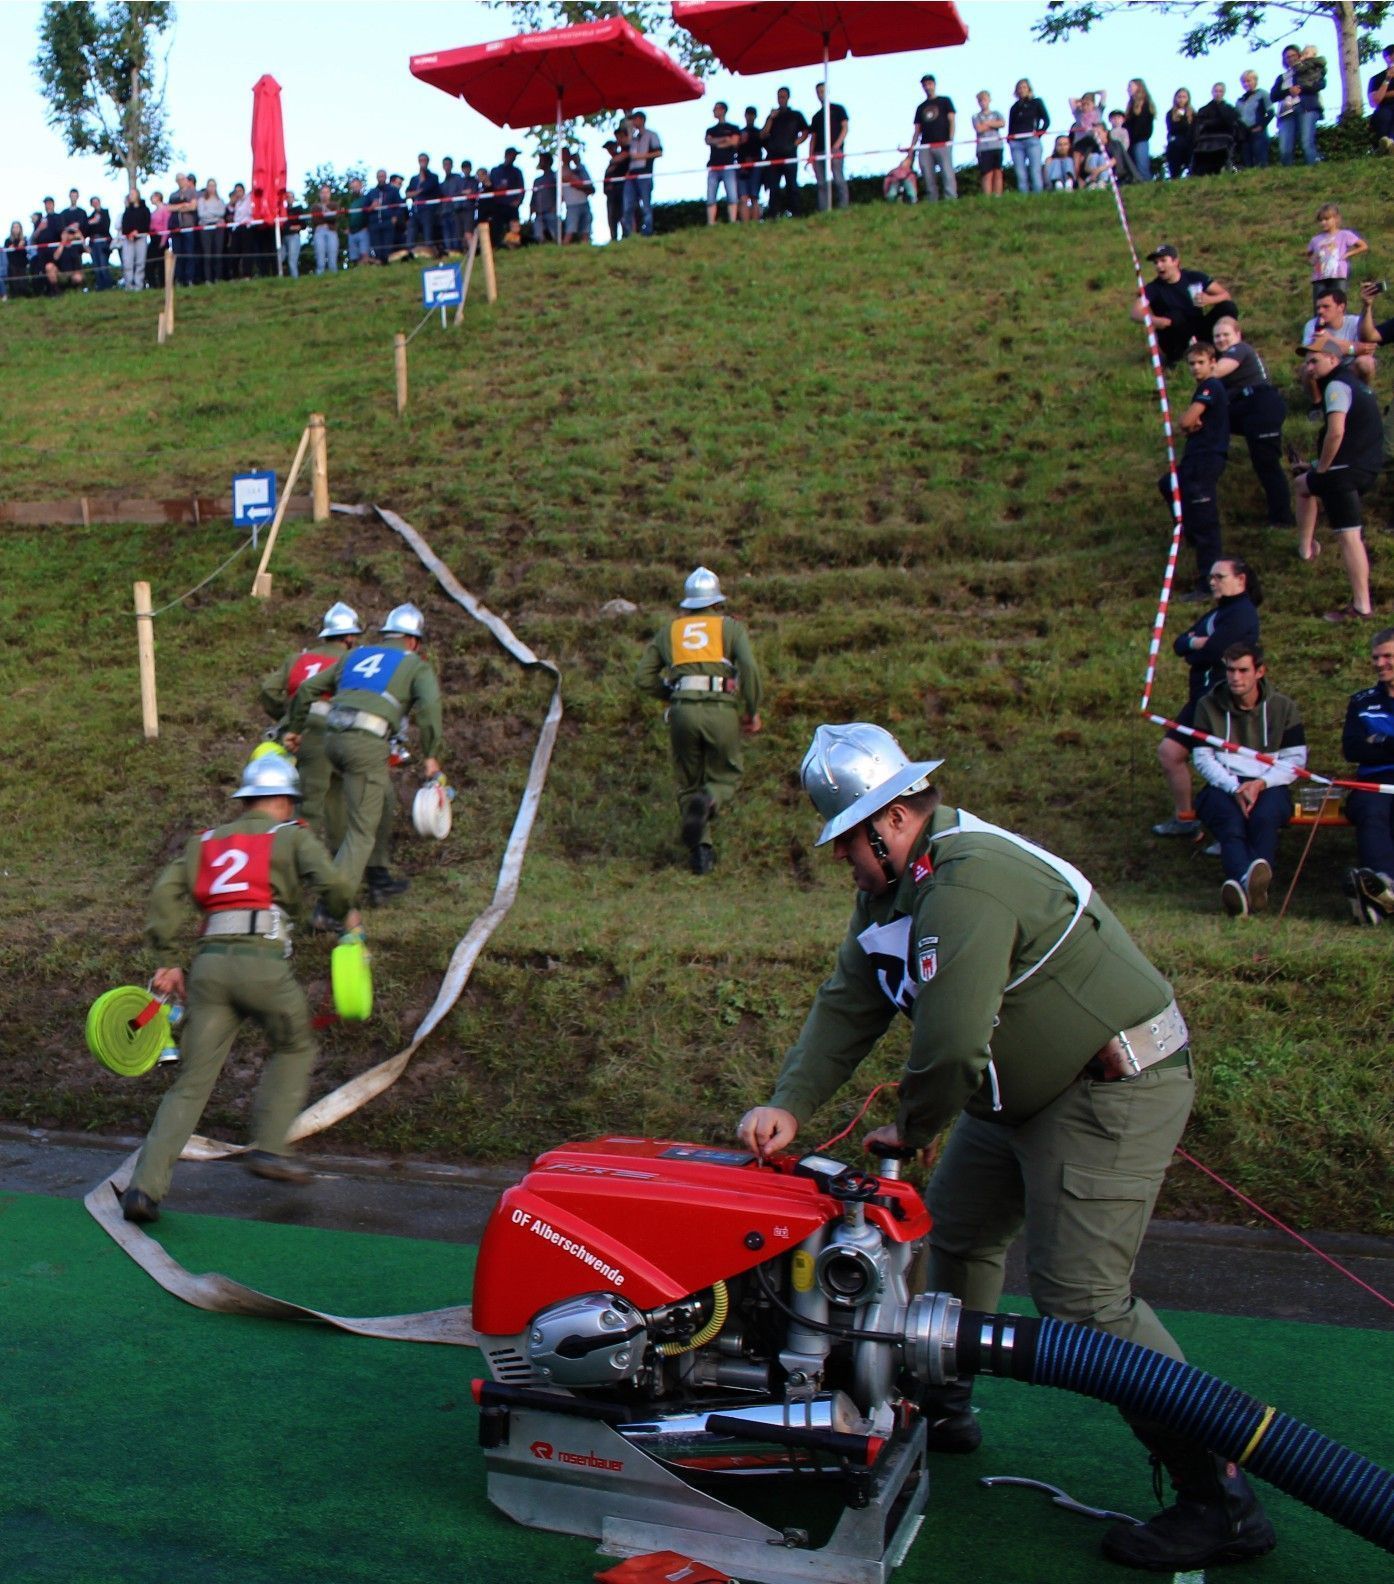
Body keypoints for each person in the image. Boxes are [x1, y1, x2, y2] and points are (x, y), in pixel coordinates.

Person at [738, 723, 1275, 1573]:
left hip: (1107, 1088)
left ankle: (1219, 1493)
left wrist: (910, 1128)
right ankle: (940, 1401)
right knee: (954, 1233)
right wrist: (790, 1102)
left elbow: (950, 1045)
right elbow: (853, 997)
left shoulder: (965, 884)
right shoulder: (895, 889)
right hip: (1014, 1094)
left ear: (890, 822)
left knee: (1085, 1303)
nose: (844, 860)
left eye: (847, 843)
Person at [118, 753, 361, 1225]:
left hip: (209, 966)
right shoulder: (291, 836)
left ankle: (144, 1189)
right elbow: (331, 881)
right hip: (262, 963)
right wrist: (347, 916)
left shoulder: (204, 842)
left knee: (191, 1084)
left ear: (247, 799)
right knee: (294, 1045)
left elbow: (165, 893)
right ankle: (270, 1147)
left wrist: (167, 958)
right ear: (285, 800)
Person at [287, 602, 443, 905]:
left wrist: (294, 729)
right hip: (366, 745)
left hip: (330, 742)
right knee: (362, 830)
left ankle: (375, 876)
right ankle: (330, 906)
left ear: (386, 636)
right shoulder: (415, 664)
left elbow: (307, 689)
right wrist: (430, 755)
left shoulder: (355, 655)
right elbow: (430, 707)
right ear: (413, 641)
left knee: (381, 796)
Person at [634, 567, 762, 876]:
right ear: (717, 602)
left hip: (682, 712)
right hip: (721, 710)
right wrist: (752, 709)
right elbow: (749, 667)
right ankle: (710, 798)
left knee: (688, 780)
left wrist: (671, 694)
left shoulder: (670, 632)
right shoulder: (730, 628)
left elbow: (642, 678)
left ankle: (701, 855)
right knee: (726, 773)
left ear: (687, 603)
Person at [1192, 643, 1306, 917]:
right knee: (1229, 821)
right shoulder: (1208, 706)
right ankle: (1248, 884)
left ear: (1260, 672)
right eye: (1230, 670)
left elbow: (1296, 761)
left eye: (1243, 670)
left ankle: (1247, 887)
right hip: (1224, 783)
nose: (1235, 677)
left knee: (1264, 818)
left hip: (1269, 783)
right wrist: (1235, 787)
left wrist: (1259, 784)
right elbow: (1202, 758)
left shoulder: (1283, 707)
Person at [1152, 558, 1262, 838]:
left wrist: (1197, 647)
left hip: (1224, 702)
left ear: (1240, 580)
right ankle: (1185, 818)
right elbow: (1179, 644)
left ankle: (1232, 834)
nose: (1212, 582)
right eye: (1211, 576)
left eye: (1219, 576)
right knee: (1170, 752)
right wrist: (1193, 644)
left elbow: (1216, 653)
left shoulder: (1242, 613)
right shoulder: (1217, 614)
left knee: (1226, 765)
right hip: (1199, 702)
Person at [1293, 333, 1385, 622]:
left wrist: (1321, 468)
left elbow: (1336, 432)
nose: (1309, 367)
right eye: (1307, 362)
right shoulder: (1356, 384)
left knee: (1349, 537)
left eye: (1314, 361)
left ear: (1333, 359)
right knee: (1302, 485)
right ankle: (1306, 548)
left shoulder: (1335, 386)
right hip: (1365, 466)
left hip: (1343, 473)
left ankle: (1361, 606)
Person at [265, 601, 362, 864]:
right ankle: (315, 864)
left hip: (301, 736)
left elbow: (268, 691)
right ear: (350, 637)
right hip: (344, 734)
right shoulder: (355, 661)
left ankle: (301, 864)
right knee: (330, 800)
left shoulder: (298, 659)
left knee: (311, 799)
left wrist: (287, 718)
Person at [1159, 342, 1230, 598]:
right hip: (1194, 458)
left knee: (1206, 522)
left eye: (1201, 362)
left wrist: (1188, 422)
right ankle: (1186, 528)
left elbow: (1186, 420)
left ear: (1213, 362)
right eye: (1191, 363)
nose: (1196, 368)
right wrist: (1189, 423)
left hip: (1207, 458)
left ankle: (1208, 583)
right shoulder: (1203, 387)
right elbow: (1189, 422)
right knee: (1169, 483)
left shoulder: (1212, 385)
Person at [1210, 318, 1293, 529]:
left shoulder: (1240, 349)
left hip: (1261, 405)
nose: (1221, 339)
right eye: (1216, 336)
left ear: (1238, 334)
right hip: (1245, 409)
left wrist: (1200, 363)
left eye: (1225, 334)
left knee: (1267, 464)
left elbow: (1214, 373)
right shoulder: (1227, 358)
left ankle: (1283, 519)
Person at [1341, 627, 1394, 922]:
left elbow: (1369, 745)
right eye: (1376, 657)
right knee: (1371, 812)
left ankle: (1375, 901)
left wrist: (1382, 741)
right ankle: (1383, 885)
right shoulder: (1361, 701)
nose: (1380, 663)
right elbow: (1352, 749)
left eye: (1388, 656)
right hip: (1372, 782)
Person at [1133, 242, 1238, 367]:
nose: (1159, 266)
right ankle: (1178, 359)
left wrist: (1209, 299)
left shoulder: (1194, 277)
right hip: (1175, 334)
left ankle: (1225, 344)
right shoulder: (1153, 288)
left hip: (1199, 326)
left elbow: (1225, 295)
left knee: (1227, 307)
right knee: (1175, 316)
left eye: (1163, 260)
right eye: (1156, 263)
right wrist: (1155, 320)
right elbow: (1135, 313)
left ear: (1175, 261)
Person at [1299, 286, 1375, 397]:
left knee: (1366, 363)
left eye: (1326, 307)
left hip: (1351, 367)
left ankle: (1364, 395)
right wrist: (1355, 348)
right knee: (1306, 368)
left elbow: (1369, 349)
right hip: (1326, 368)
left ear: (1341, 307)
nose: (1320, 311)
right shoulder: (1312, 325)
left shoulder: (1355, 322)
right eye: (1318, 307)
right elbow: (1312, 355)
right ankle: (1317, 405)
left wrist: (1330, 341)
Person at [1306, 204, 1368, 309]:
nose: (1323, 223)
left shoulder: (1344, 234)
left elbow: (1363, 246)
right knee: (1319, 306)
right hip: (1320, 278)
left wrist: (1348, 254)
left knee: (1338, 303)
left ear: (1335, 219)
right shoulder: (1315, 239)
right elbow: (1310, 257)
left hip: (1338, 275)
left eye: (1326, 219)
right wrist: (1314, 259)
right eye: (1321, 220)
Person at [1272, 44, 1322, 166]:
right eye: (1287, 57)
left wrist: (1301, 88)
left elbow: (1320, 84)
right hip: (1286, 112)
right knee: (1284, 148)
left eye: (1293, 55)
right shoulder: (1282, 77)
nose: (1290, 59)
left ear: (1299, 55)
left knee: (1306, 142)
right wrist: (1288, 91)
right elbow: (1273, 96)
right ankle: (1287, 175)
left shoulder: (1309, 69)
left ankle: (1312, 171)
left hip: (1306, 107)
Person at [761, 89, 808, 219]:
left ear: (788, 98)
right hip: (773, 156)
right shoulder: (772, 116)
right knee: (773, 187)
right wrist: (771, 118)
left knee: (792, 185)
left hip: (790, 156)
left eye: (783, 97)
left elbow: (806, 131)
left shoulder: (796, 115)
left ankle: (797, 214)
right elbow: (763, 134)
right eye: (779, 97)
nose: (781, 99)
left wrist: (795, 143)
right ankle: (773, 215)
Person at [912, 74, 957, 200]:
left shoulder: (945, 101)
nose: (927, 87)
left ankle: (951, 198)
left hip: (943, 142)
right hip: (925, 145)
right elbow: (917, 130)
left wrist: (951, 139)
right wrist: (912, 146)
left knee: (947, 173)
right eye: (924, 85)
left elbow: (952, 120)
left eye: (929, 84)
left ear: (934, 85)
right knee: (927, 175)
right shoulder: (920, 107)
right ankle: (932, 200)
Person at [809, 82, 849, 210]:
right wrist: (811, 156)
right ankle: (824, 209)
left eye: (822, 91)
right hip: (819, 152)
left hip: (835, 150)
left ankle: (843, 206)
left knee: (838, 178)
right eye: (818, 92)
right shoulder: (816, 116)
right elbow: (813, 137)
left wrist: (836, 146)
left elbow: (845, 128)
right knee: (821, 183)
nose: (820, 94)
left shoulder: (838, 109)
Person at [624, 111, 663, 237]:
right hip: (632, 174)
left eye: (635, 119)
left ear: (641, 120)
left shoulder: (651, 135)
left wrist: (642, 157)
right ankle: (629, 233)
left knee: (646, 204)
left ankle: (647, 231)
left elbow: (659, 152)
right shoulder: (634, 138)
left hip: (644, 173)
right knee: (628, 204)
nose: (633, 122)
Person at [1007, 78, 1049, 192]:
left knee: (1035, 169)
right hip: (1016, 142)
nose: (1021, 90)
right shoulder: (1014, 107)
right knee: (1020, 172)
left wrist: (1039, 133)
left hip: (1032, 140)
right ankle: (1024, 197)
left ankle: (1038, 195)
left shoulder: (1036, 102)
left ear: (1029, 88)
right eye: (1019, 88)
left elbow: (1046, 120)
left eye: (1024, 87)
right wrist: (1010, 140)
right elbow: (1010, 126)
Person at [702, 101, 740, 225]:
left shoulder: (733, 128)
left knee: (732, 194)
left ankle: (733, 221)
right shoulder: (711, 129)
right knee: (711, 195)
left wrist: (717, 142)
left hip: (728, 165)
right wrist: (724, 139)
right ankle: (711, 222)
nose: (714, 111)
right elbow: (708, 141)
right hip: (713, 166)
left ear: (723, 110)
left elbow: (734, 142)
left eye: (716, 109)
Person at [1190, 83, 1240, 175]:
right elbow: (1200, 125)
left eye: (1220, 91)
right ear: (1212, 92)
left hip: (1224, 139)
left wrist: (1214, 122)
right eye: (1216, 91)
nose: (1218, 93)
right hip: (1206, 141)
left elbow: (1231, 123)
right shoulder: (1203, 110)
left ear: (1224, 93)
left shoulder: (1229, 109)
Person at [488, 148, 525, 248]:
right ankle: (497, 247)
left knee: (514, 227)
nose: (514, 158)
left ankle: (514, 246)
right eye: (512, 155)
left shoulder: (517, 171)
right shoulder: (495, 170)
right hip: (498, 205)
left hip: (512, 204)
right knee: (497, 228)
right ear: (507, 155)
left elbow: (522, 188)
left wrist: (519, 201)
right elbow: (491, 187)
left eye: (515, 156)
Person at [168, 171, 200, 285]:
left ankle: (189, 279)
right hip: (176, 228)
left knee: (189, 253)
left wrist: (178, 207)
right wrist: (183, 205)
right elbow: (169, 208)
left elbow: (193, 206)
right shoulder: (173, 195)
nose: (181, 181)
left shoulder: (193, 192)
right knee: (177, 254)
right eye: (178, 179)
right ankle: (179, 279)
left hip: (188, 227)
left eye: (182, 179)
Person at [1067, 88, 1106, 181]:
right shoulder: (1078, 114)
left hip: (1095, 139)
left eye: (1088, 104)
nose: (1085, 107)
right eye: (1083, 104)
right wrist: (1081, 100)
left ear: (1093, 104)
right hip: (1081, 140)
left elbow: (1104, 93)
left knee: (1093, 157)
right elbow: (1071, 100)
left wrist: (1093, 93)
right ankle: (1076, 180)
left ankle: (1097, 178)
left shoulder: (1098, 111)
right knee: (1077, 158)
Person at [1235, 71, 1273, 166]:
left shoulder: (1262, 94)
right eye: (1244, 82)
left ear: (1255, 81)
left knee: (1260, 159)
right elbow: (1237, 117)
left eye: (1249, 81)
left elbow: (1270, 112)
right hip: (1244, 134)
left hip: (1258, 132)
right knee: (1247, 160)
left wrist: (1261, 126)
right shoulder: (1240, 100)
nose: (1246, 84)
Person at [406, 152, 440, 256]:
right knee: (411, 231)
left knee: (428, 233)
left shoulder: (433, 177)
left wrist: (417, 190)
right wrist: (418, 190)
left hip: (427, 210)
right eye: (420, 160)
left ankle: (430, 253)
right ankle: (409, 254)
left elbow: (427, 189)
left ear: (428, 162)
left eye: (424, 160)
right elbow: (407, 194)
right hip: (415, 210)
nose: (422, 163)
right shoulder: (414, 178)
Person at [972, 91, 1006, 196]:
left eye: (985, 99)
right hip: (983, 148)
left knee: (998, 172)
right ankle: (987, 196)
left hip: (997, 146)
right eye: (980, 100)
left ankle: (998, 196)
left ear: (989, 100)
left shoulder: (996, 113)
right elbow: (979, 128)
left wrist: (987, 123)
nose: (983, 102)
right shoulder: (976, 116)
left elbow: (1002, 123)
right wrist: (993, 124)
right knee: (987, 173)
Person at [1123, 78, 1156, 179]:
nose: (1128, 89)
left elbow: (1143, 125)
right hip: (1132, 140)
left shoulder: (1144, 104)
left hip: (1140, 140)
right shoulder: (1131, 105)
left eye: (1130, 86)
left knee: (1142, 167)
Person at [559, 148, 593, 244]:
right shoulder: (561, 171)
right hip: (572, 204)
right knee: (570, 229)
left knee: (586, 229)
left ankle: (585, 249)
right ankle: (563, 250)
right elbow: (570, 180)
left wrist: (578, 163)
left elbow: (588, 184)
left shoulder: (580, 169)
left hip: (584, 201)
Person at [734, 109, 763, 222]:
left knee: (754, 196)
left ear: (755, 116)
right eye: (748, 115)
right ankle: (746, 224)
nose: (750, 117)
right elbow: (734, 149)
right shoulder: (740, 133)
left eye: (752, 115)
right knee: (743, 197)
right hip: (742, 166)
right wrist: (740, 141)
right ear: (745, 116)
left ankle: (755, 222)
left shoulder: (759, 132)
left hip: (756, 165)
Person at [118, 189, 150, 290]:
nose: (130, 196)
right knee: (128, 262)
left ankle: (139, 285)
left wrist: (138, 231)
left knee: (140, 262)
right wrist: (129, 233)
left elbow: (147, 223)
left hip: (141, 238)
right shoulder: (127, 211)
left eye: (132, 194)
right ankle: (129, 285)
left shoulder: (145, 209)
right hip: (129, 239)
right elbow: (124, 225)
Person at [363, 168, 396, 264]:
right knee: (376, 245)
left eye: (383, 176)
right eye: (379, 176)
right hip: (374, 223)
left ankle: (387, 264)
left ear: (386, 177)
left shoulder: (393, 191)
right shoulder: (371, 192)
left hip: (387, 221)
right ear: (376, 178)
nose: (381, 178)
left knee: (387, 244)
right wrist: (371, 207)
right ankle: (378, 263)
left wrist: (395, 217)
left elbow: (399, 205)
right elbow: (365, 208)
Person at [603, 132, 630, 240]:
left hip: (621, 189)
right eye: (608, 149)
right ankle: (613, 237)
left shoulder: (623, 157)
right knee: (612, 216)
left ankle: (626, 235)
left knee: (623, 212)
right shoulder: (610, 164)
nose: (609, 150)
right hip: (610, 193)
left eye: (611, 147)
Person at [1163, 88, 1195, 179]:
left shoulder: (1193, 113)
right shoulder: (1170, 114)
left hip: (1189, 142)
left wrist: (1183, 120)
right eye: (1179, 97)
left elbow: (1192, 129)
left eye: (1184, 97)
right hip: (1176, 142)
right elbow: (1172, 129)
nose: (1181, 99)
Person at [1368, 42, 1394, 149]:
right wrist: (1387, 79)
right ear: (1387, 58)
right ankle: (1387, 144)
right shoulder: (1376, 79)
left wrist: (1386, 95)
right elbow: (1374, 101)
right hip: (1385, 109)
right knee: (1383, 115)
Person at [225, 181, 253, 278]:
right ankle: (235, 275)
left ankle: (247, 275)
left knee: (246, 251)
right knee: (235, 251)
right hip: (236, 227)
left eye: (240, 190)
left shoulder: (249, 199)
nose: (238, 193)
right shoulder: (237, 203)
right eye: (236, 191)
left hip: (246, 227)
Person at [531, 152, 560, 244]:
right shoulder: (537, 180)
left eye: (542, 160)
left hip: (551, 211)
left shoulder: (555, 177)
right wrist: (532, 208)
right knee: (538, 236)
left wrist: (555, 206)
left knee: (554, 235)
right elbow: (533, 196)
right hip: (539, 213)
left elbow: (559, 193)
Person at [311, 184, 339, 275]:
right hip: (319, 232)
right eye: (323, 192)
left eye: (327, 192)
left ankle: (334, 276)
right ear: (319, 194)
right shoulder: (315, 207)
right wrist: (328, 217)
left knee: (332, 255)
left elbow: (335, 218)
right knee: (320, 255)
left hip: (332, 232)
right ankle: (320, 277)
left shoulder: (334, 205)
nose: (325, 194)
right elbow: (315, 220)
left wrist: (324, 218)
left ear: (330, 194)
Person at [86, 195, 113, 289]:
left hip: (103, 242)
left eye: (96, 201)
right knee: (96, 266)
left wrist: (96, 222)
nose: (95, 204)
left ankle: (108, 286)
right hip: (93, 243)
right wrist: (92, 222)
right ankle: (100, 286)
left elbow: (105, 227)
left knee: (103, 264)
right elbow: (87, 230)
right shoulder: (90, 216)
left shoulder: (105, 212)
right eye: (93, 202)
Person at [346, 176, 372, 266]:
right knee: (354, 257)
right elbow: (346, 216)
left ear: (361, 186)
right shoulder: (349, 201)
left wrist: (367, 226)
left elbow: (369, 213)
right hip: (352, 232)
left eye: (356, 186)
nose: (354, 189)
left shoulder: (366, 199)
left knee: (364, 254)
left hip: (363, 230)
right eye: (353, 187)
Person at [280, 189, 304, 276]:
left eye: (291, 197)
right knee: (279, 259)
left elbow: (302, 225)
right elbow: (282, 226)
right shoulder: (281, 211)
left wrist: (291, 227)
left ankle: (295, 280)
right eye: (287, 197)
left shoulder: (298, 209)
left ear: (294, 198)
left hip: (294, 237)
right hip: (282, 238)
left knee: (292, 260)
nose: (289, 199)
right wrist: (290, 227)